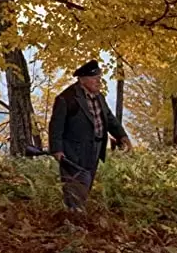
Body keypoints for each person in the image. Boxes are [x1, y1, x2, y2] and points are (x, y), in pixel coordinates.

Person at [48, 59, 132, 211]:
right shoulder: (66, 98)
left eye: (100, 78)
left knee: (86, 185)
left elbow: (109, 118)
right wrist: (57, 150)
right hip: (73, 152)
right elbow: (55, 127)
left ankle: (78, 217)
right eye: (95, 78)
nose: (99, 82)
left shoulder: (99, 96)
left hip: (95, 149)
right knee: (74, 187)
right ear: (82, 79)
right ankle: (74, 220)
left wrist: (122, 136)